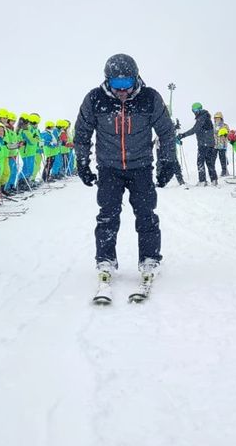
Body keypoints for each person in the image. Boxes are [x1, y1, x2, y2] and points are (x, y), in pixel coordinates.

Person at [73, 53, 175, 293]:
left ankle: (149, 258)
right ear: (107, 81)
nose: (122, 91)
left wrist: (167, 162)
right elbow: (82, 133)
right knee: (107, 216)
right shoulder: (95, 99)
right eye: (117, 85)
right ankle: (105, 260)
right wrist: (82, 162)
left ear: (136, 78)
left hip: (141, 168)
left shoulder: (149, 98)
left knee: (146, 215)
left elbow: (166, 132)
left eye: (127, 84)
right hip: (109, 169)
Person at [177, 102, 217, 186]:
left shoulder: (202, 117)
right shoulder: (206, 117)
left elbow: (195, 129)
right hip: (210, 144)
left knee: (200, 162)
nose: (194, 112)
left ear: (200, 109)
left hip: (204, 144)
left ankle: (202, 181)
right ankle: (214, 180)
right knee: (209, 162)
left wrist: (183, 135)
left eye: (195, 110)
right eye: (193, 110)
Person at [213, 111, 229, 176]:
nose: (217, 119)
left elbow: (228, 133)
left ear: (221, 118)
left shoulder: (225, 126)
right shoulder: (213, 126)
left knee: (222, 158)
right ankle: (212, 171)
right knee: (212, 158)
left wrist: (225, 134)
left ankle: (224, 171)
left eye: (218, 118)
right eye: (216, 118)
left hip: (222, 145)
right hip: (214, 145)